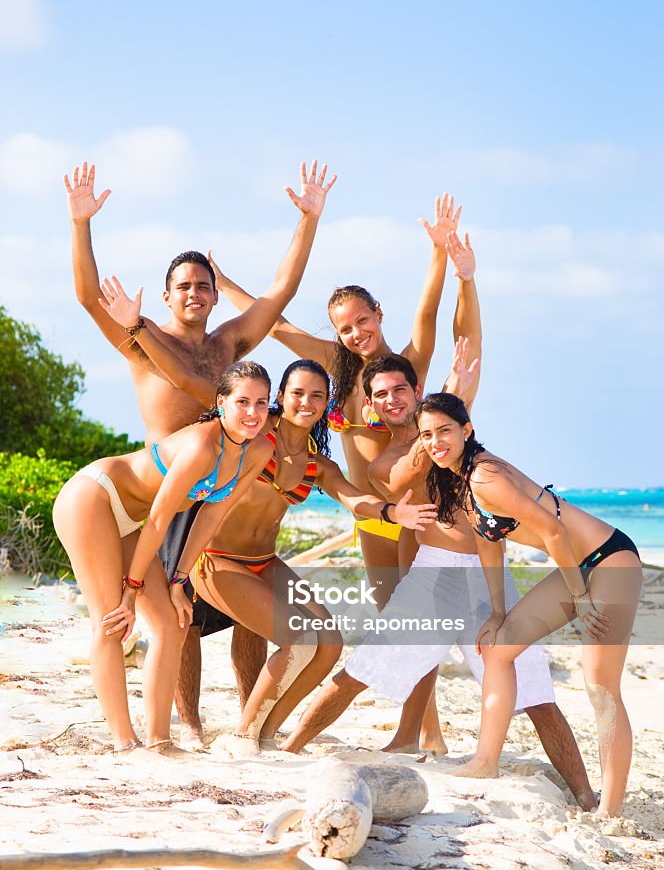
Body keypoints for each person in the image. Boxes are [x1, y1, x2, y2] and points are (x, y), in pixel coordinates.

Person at [66, 159, 336, 739]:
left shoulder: (230, 347)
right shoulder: (143, 338)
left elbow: (280, 290)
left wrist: (308, 221)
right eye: (183, 286)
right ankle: (183, 723)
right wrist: (80, 222)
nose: (193, 292)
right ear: (167, 295)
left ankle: (241, 716)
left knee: (228, 606)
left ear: (215, 294)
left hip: (217, 482)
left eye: (202, 284)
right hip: (162, 487)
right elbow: (88, 296)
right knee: (169, 620)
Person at [277, 350, 596, 810]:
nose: (391, 400)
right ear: (370, 404)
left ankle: (585, 796)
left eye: (400, 390)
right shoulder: (383, 463)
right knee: (358, 672)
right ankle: (289, 750)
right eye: (380, 394)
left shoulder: (451, 433)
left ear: (416, 391)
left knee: (537, 694)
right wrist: (445, 414)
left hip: (490, 573)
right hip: (434, 575)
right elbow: (411, 470)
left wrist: (455, 400)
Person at [216, 196, 481, 749]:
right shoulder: (334, 368)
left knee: (414, 626)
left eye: (363, 320)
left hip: (409, 512)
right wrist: (224, 282)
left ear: (378, 315)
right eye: (344, 327)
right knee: (396, 624)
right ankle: (426, 734)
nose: (356, 332)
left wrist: (439, 254)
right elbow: (278, 326)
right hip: (370, 516)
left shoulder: (402, 371)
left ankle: (416, 734)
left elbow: (429, 317)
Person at [145, 356, 438, 754]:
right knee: (299, 639)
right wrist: (174, 571)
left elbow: (355, 499)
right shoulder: (250, 437)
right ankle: (244, 732)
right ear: (280, 396)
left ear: (326, 404)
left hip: (265, 562)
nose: (306, 402)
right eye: (297, 393)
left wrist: (392, 512)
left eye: (317, 396)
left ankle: (267, 731)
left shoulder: (315, 463)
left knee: (330, 642)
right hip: (216, 560)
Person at [413, 390, 642, 816]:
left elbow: (554, 532)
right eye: (426, 434)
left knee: (600, 687)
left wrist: (580, 597)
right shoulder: (461, 482)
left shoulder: (485, 476)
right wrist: (498, 614)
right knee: (498, 648)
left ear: (467, 430)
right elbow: (489, 546)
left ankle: (609, 811)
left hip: (608, 560)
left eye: (444, 430)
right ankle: (484, 763)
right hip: (576, 568)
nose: (435, 441)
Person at [52, 362, 274, 754]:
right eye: (242, 402)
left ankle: (158, 741)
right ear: (221, 402)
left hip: (130, 521)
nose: (253, 412)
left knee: (172, 623)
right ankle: (125, 742)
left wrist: (179, 580)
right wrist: (132, 591)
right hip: (94, 498)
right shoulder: (201, 447)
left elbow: (212, 514)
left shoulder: (258, 449)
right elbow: (158, 520)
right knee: (113, 621)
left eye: (261, 402)